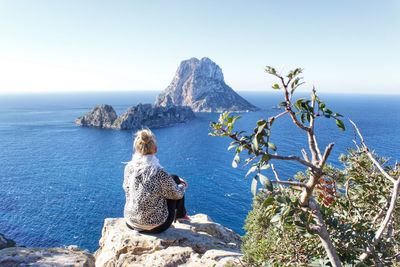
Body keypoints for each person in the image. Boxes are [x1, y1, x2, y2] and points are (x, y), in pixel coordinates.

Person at [123, 128, 189, 233]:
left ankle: (181, 214)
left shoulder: (129, 168)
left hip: (131, 222)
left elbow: (127, 190)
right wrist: (182, 185)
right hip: (156, 226)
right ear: (155, 149)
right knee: (175, 179)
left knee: (172, 179)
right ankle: (181, 215)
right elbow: (177, 195)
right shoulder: (159, 173)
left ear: (137, 149)